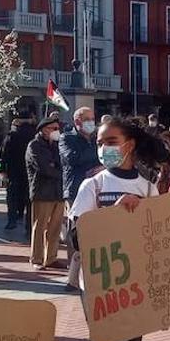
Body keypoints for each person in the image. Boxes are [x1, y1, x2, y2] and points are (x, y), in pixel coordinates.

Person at [71, 117, 163, 341]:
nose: (104, 146)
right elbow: (78, 239)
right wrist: (116, 214)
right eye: (99, 141)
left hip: (135, 288)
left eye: (111, 139)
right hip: (99, 288)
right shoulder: (93, 185)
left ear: (130, 145)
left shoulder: (148, 187)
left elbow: (156, 237)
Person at [61, 107, 101, 289]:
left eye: (93, 119)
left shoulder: (94, 140)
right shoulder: (66, 138)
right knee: (76, 234)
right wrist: (98, 156)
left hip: (95, 190)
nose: (92, 123)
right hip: (75, 190)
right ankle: (73, 278)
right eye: (87, 119)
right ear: (77, 121)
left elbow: (105, 159)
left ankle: (91, 273)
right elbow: (73, 158)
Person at [26, 117, 64, 269]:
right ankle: (36, 259)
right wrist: (58, 170)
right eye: (53, 128)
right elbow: (44, 168)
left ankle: (51, 258)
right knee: (40, 226)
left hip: (58, 192)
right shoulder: (34, 145)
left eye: (57, 128)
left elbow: (62, 163)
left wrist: (56, 166)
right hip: (42, 191)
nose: (56, 131)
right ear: (44, 129)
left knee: (55, 227)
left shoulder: (57, 145)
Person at [0, 115, 35, 232]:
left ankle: (12, 220)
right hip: (28, 172)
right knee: (28, 198)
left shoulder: (11, 136)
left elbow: (4, 153)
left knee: (12, 196)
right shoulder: (33, 136)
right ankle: (29, 226)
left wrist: (2, 170)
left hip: (13, 171)